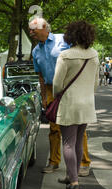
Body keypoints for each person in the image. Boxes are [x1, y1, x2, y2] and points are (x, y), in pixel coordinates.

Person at [29, 17, 91, 176]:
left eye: (33, 29)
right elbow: (41, 77)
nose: (30, 32)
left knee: (77, 127)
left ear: (44, 28)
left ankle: (84, 163)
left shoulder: (63, 39)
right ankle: (54, 161)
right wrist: (44, 97)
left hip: (69, 87)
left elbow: (80, 55)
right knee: (54, 128)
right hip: (51, 89)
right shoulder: (35, 51)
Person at [53, 21, 99, 189]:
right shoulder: (94, 55)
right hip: (87, 103)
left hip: (70, 103)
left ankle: (73, 181)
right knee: (79, 142)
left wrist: (58, 94)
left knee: (67, 143)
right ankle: (73, 175)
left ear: (71, 35)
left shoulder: (65, 55)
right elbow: (95, 83)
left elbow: (57, 84)